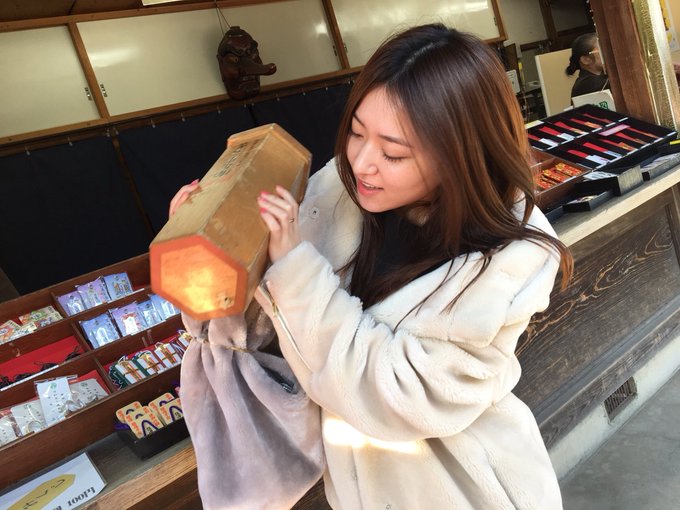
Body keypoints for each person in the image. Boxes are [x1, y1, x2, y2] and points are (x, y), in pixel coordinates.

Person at [172, 23, 573, 509]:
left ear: (461, 154)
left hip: (465, 492)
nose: (362, 163)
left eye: (393, 152)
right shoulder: (335, 197)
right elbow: (254, 339)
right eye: (357, 132)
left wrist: (295, 272)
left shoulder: (507, 260)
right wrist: (210, 252)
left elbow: (397, 398)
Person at [566, 32, 609, 99]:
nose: (606, 53)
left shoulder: (600, 76)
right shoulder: (586, 84)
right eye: (601, 50)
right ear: (585, 60)